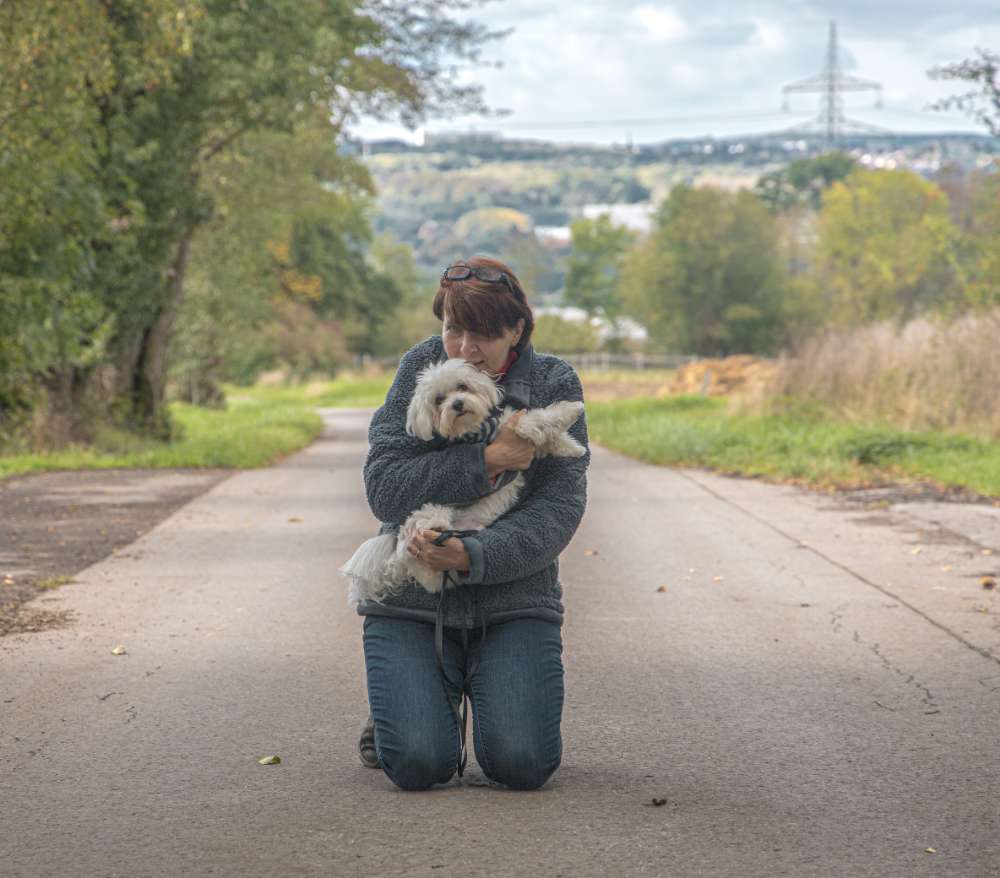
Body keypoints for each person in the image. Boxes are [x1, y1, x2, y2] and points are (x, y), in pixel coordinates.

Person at [355, 255, 590, 791]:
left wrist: (472, 555)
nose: (464, 348)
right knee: (416, 765)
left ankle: (461, 684)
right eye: (453, 329)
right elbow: (383, 488)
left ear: (517, 330)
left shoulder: (553, 380)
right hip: (415, 604)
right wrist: (487, 461)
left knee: (522, 764)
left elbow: (559, 510)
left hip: (511, 602)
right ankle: (406, 701)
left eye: (483, 333)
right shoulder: (421, 368)